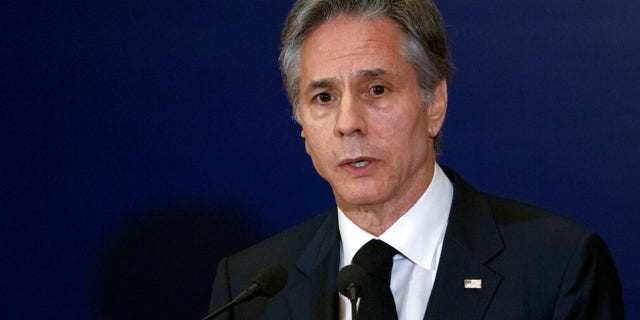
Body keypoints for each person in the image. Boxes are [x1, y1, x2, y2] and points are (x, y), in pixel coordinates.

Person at [208, 0, 624, 319]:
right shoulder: (249, 290)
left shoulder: (557, 268)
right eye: (323, 98)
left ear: (435, 104)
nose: (348, 123)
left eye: (377, 90)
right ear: (303, 130)